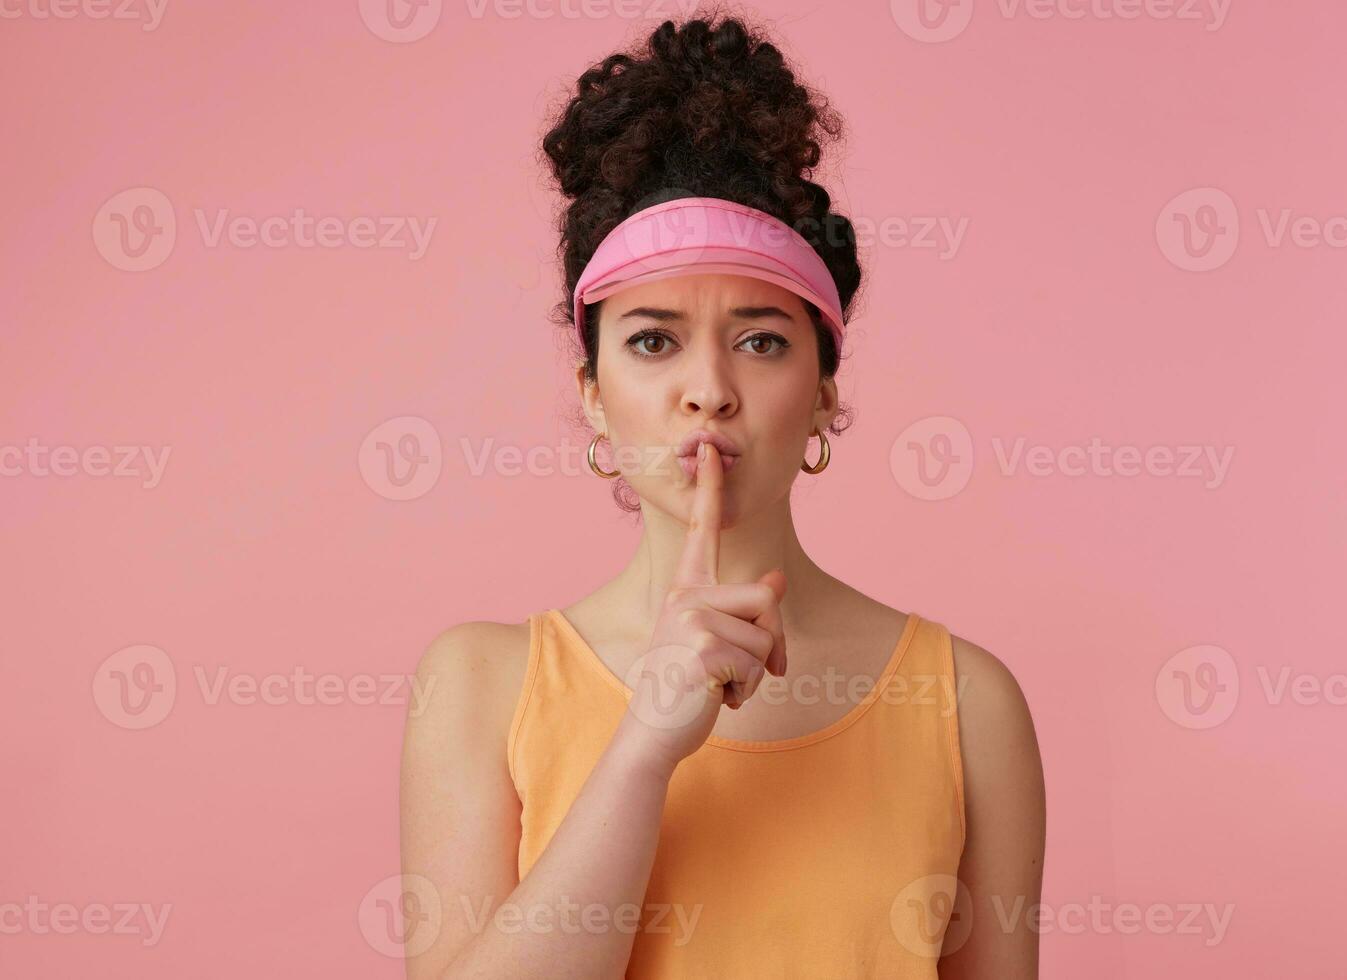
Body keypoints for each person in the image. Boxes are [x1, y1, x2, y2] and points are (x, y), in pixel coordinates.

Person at [399, 14, 1044, 978]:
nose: (708, 388)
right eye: (653, 340)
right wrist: (645, 745)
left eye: (762, 339)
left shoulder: (965, 701)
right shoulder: (480, 685)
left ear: (826, 390)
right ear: (593, 396)